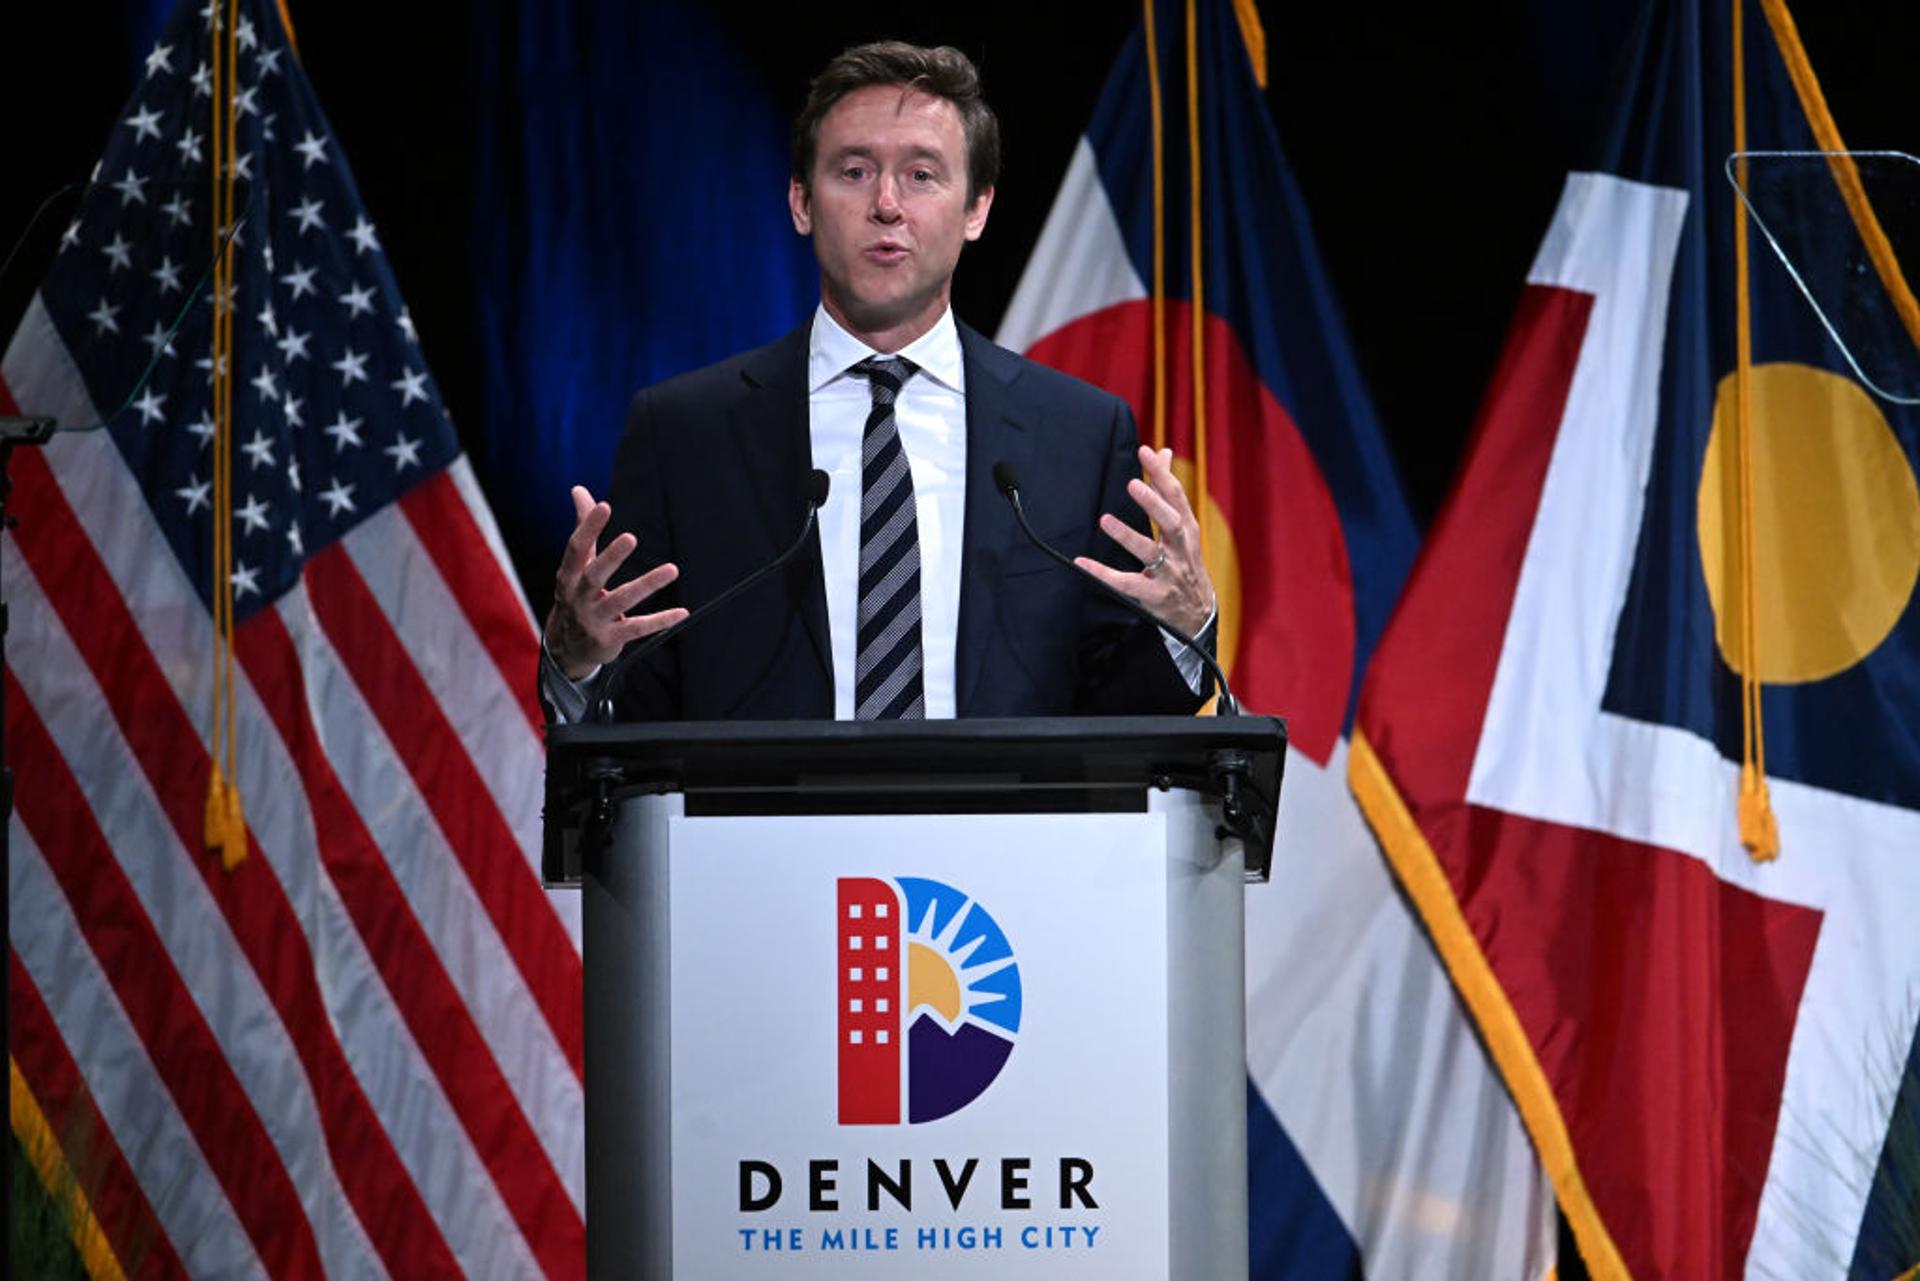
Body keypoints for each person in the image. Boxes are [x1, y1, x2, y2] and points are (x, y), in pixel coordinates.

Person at [541, 40, 1217, 722]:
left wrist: (1188, 628)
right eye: (855, 171)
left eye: (923, 175)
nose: (887, 204)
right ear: (802, 202)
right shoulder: (684, 432)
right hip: (759, 828)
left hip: (999, 827)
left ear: (976, 209)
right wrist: (580, 661)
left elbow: (1119, 719)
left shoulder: (1079, 433)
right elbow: (635, 719)